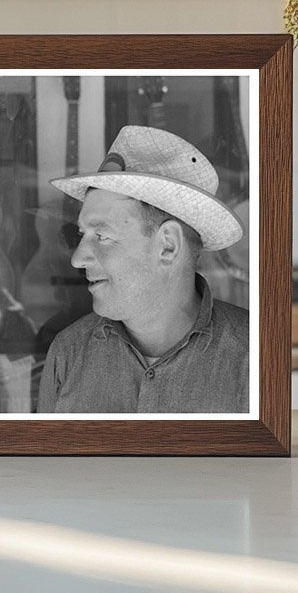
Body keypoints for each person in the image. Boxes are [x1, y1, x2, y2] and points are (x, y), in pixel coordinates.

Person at [36, 125, 249, 414]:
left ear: (168, 246)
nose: (77, 258)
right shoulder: (68, 353)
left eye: (102, 237)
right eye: (81, 235)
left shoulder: (254, 359)